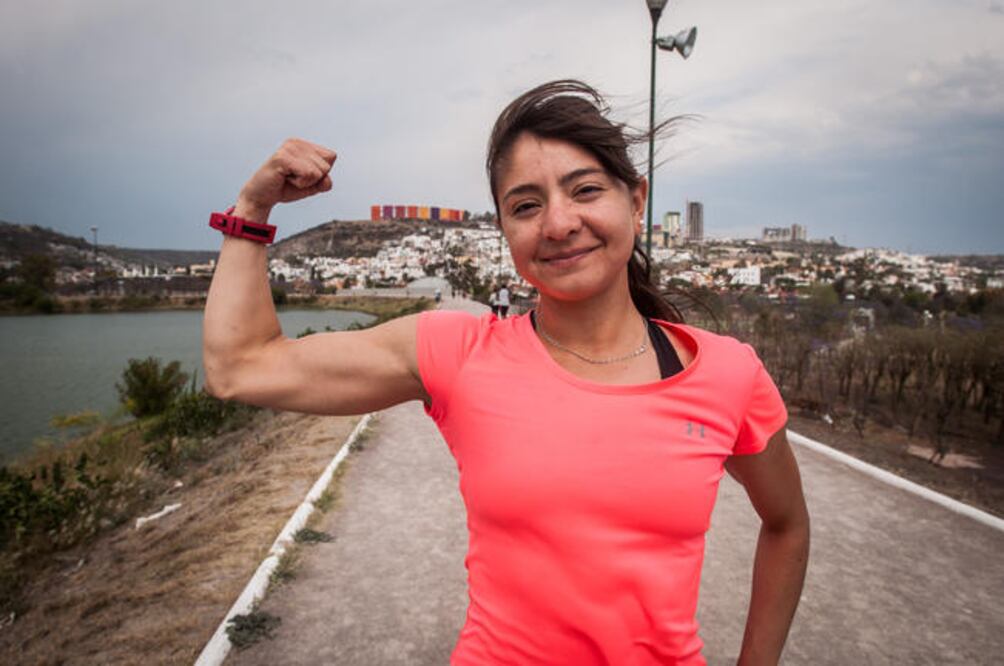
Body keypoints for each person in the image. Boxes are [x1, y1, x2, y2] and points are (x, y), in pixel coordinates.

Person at [203, 80, 809, 665]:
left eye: (586, 190)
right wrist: (252, 209)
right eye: (526, 205)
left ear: (637, 198)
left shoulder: (726, 373)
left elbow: (786, 525)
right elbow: (242, 367)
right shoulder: (458, 353)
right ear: (504, 229)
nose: (558, 223)